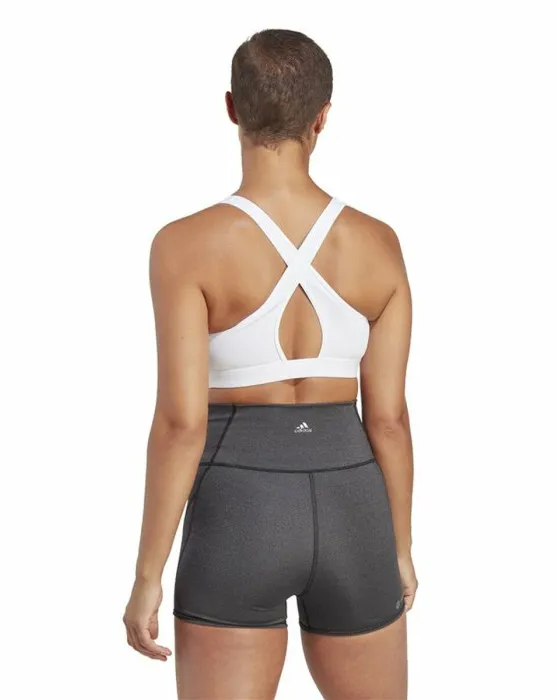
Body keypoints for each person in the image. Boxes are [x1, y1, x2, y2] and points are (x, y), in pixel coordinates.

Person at [123, 28, 418, 700]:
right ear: (323, 117)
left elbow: (181, 425)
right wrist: (397, 547)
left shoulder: (184, 245)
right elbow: (390, 420)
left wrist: (148, 575)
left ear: (232, 107)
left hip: (239, 511)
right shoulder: (379, 244)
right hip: (355, 509)